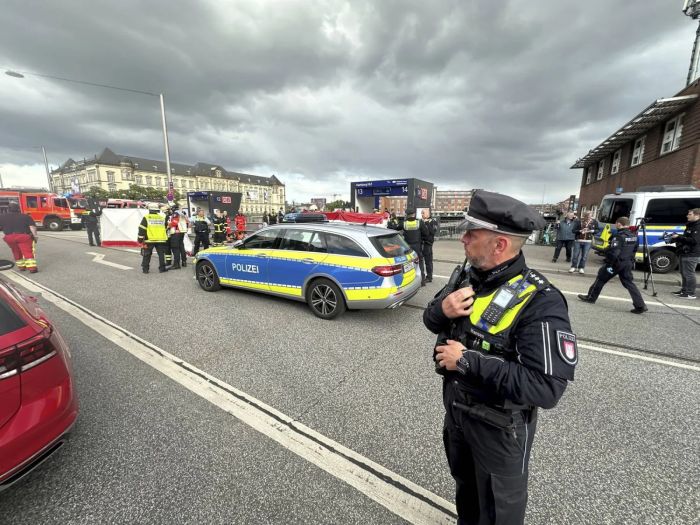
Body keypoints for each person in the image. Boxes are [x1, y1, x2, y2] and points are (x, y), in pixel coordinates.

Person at [425, 190, 576, 524]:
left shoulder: (541, 301)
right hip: (457, 415)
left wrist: (467, 361)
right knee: (466, 496)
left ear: (500, 244)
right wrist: (442, 309)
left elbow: (546, 387)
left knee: (498, 513)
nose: (462, 238)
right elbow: (431, 320)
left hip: (499, 430)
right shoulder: (466, 276)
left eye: (471, 233)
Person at [578, 216, 647, 313]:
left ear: (619, 224)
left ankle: (591, 297)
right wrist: (630, 261)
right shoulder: (634, 236)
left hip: (616, 263)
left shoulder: (619, 236)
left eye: (616, 223)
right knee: (629, 283)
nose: (615, 225)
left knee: (601, 278)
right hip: (627, 263)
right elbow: (634, 250)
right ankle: (640, 305)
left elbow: (614, 253)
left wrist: (609, 264)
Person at [669, 208, 700, 299]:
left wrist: (679, 237)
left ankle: (690, 293)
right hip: (685, 252)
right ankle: (684, 290)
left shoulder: (698, 226)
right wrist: (677, 237)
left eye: (690, 214)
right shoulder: (691, 225)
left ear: (697, 215)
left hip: (692, 254)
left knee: (689, 274)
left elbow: (694, 241)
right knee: (684, 273)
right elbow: (687, 237)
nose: (687, 216)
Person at [0, 202, 39, 272]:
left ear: (8, 209)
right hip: (23, 236)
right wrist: (35, 236)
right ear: (18, 209)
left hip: (9, 237)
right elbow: (32, 227)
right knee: (27, 251)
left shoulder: (2, 217)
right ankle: (32, 268)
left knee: (16, 251)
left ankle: (21, 267)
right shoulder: (26, 216)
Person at [137, 203, 169, 273]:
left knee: (147, 254)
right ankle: (162, 268)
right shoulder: (161, 218)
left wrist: (140, 239)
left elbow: (142, 229)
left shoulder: (146, 217)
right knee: (161, 254)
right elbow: (166, 227)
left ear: (149, 210)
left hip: (149, 239)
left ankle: (145, 269)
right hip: (161, 239)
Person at [401, 208, 427, 286]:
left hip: (407, 247)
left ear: (406, 215)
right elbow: (426, 233)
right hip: (417, 246)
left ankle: (410, 281)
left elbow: (394, 227)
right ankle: (422, 281)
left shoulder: (404, 223)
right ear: (414, 214)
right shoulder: (419, 222)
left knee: (408, 264)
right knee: (420, 263)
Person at [421, 209, 439, 282]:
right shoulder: (421, 221)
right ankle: (422, 276)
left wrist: (427, 223)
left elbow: (433, 232)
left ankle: (429, 277)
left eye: (423, 213)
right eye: (421, 213)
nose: (422, 214)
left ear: (428, 214)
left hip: (428, 244)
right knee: (420, 261)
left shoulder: (433, 222)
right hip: (421, 244)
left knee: (428, 261)